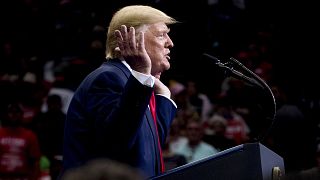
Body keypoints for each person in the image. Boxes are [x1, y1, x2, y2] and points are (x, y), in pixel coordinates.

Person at [60, 5, 178, 179]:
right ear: (134, 40)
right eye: (161, 34)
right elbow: (115, 144)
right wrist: (140, 75)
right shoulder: (109, 78)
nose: (170, 42)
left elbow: (148, 148)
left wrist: (163, 96)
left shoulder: (137, 84)